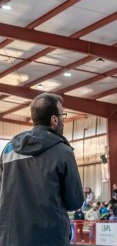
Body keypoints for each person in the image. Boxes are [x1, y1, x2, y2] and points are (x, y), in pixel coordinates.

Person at [0, 93, 84, 246]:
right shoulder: (62, 151)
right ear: (54, 119)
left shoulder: (8, 150)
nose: (63, 121)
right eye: (62, 115)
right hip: (49, 238)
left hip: (10, 238)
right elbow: (75, 201)